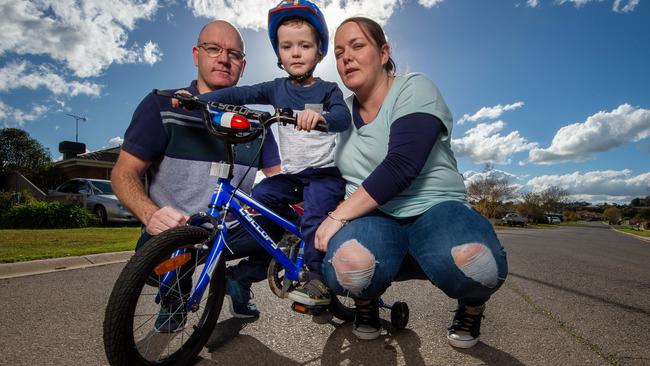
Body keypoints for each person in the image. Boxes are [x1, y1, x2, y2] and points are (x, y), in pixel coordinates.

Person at [314, 17, 509, 347]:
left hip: (434, 208)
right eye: (339, 52)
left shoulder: (415, 87)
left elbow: (402, 166)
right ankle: (366, 304)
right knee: (349, 267)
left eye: (357, 45)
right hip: (372, 218)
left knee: (480, 267)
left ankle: (472, 306)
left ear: (384, 51)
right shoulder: (340, 115)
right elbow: (325, 169)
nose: (346, 57)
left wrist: (336, 216)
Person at [111, 20, 284, 332]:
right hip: (177, 230)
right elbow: (123, 174)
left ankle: (239, 281)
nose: (223, 58)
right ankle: (173, 298)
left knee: (288, 221)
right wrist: (152, 215)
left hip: (233, 230)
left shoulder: (255, 123)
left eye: (233, 53)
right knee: (157, 269)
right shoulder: (162, 106)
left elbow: (278, 178)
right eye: (213, 49)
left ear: (242, 66)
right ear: (196, 54)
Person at [184, 0, 351, 307]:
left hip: (324, 176)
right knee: (261, 195)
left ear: (319, 52)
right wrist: (200, 99)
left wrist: (321, 118)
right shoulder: (276, 89)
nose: (296, 53)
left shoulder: (327, 90)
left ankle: (316, 279)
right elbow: (240, 93)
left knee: (315, 215)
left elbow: (343, 118)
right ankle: (296, 233)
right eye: (287, 47)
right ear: (279, 54)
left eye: (304, 45)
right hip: (293, 176)